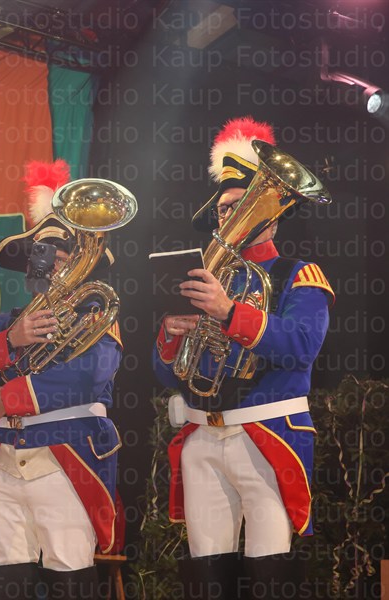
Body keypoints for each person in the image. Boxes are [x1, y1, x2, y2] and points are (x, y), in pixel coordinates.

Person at [152, 118, 333, 599]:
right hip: (201, 434)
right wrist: (170, 337)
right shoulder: (202, 275)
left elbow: (301, 347)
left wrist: (230, 312)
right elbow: (169, 375)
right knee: (206, 571)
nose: (227, 217)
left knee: (268, 568)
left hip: (266, 432)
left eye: (240, 206)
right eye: (223, 210)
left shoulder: (298, 273)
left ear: (272, 218)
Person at [0, 161, 123, 600]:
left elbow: (88, 377)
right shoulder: (8, 321)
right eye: (45, 259)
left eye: (64, 260)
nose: (52, 269)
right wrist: (12, 338)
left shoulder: (97, 313)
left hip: (66, 455)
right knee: (6, 580)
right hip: (3, 459)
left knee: (70, 576)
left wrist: (6, 397)